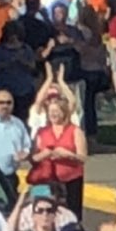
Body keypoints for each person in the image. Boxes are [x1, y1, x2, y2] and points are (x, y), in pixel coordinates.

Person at [27, 88, 87, 217]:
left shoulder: (75, 131)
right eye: (50, 111)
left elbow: (83, 158)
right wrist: (44, 154)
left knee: (72, 215)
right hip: (48, 179)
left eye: (56, 111)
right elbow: (33, 158)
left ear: (64, 112)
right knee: (50, 213)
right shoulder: (42, 132)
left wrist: (68, 154)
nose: (53, 114)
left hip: (71, 179)